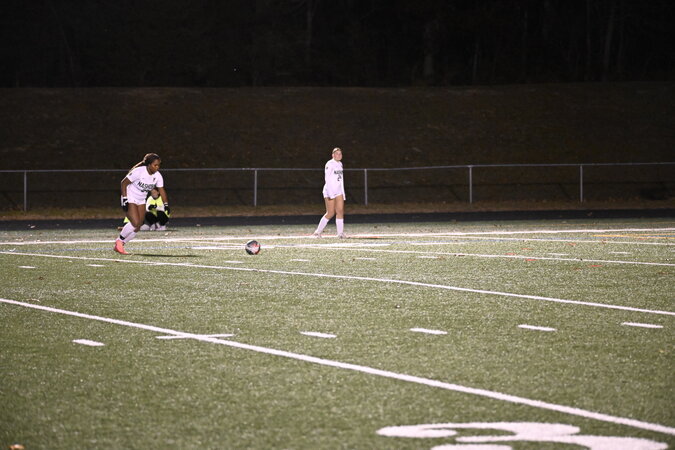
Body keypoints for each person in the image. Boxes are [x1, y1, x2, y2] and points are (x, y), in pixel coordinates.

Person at [114, 153, 170, 254]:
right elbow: (123, 183)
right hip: (130, 196)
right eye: (155, 165)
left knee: (138, 226)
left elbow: (161, 190)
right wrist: (125, 199)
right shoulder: (139, 171)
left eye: (158, 165)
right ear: (149, 164)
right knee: (135, 222)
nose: (157, 167)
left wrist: (166, 204)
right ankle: (119, 241)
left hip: (141, 199)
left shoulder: (157, 176)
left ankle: (121, 244)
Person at [313, 147, 346, 238]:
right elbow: (327, 179)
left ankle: (340, 234)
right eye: (337, 154)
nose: (339, 155)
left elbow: (341, 180)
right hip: (329, 191)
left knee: (340, 211)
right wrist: (330, 193)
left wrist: (343, 192)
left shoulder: (340, 164)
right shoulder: (329, 164)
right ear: (333, 155)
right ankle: (317, 232)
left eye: (340, 154)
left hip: (338, 191)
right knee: (330, 213)